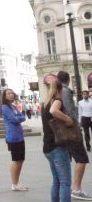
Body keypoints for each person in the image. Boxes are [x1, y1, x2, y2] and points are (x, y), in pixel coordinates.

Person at [57, 71, 91, 200]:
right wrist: (73, 124)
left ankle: (70, 186)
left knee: (68, 159)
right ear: (67, 80)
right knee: (81, 158)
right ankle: (76, 188)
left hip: (62, 131)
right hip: (70, 130)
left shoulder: (56, 91)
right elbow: (69, 111)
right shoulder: (65, 91)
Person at [42, 80, 73, 202]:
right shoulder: (57, 101)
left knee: (57, 180)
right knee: (65, 182)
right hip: (58, 145)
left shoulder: (45, 103)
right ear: (60, 90)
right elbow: (54, 111)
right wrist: (68, 119)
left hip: (48, 146)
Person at [1, 89, 28, 191]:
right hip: (13, 137)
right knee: (16, 160)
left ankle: (17, 182)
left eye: (12, 93)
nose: (11, 95)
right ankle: (14, 184)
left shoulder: (13, 106)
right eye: (8, 93)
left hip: (19, 136)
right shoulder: (5, 107)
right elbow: (14, 120)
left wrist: (19, 117)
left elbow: (22, 117)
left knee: (20, 160)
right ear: (4, 96)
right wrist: (19, 117)